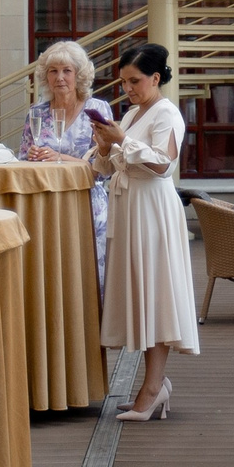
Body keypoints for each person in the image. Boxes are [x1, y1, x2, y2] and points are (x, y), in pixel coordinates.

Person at [89, 42, 198, 420]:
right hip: (129, 207)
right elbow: (106, 169)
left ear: (155, 77)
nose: (128, 89)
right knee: (142, 294)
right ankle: (155, 385)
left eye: (134, 81)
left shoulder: (167, 113)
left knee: (157, 296)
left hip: (153, 208)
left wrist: (121, 140)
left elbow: (163, 165)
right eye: (123, 82)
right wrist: (104, 147)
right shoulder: (134, 113)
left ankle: (153, 388)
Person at [24, 39, 115, 293]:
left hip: (85, 202)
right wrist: (31, 156)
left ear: (79, 75)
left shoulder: (96, 110)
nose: (60, 78)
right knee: (53, 273)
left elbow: (104, 167)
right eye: (53, 71)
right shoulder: (36, 112)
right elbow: (21, 161)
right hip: (47, 203)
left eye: (67, 71)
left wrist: (60, 159)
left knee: (88, 274)